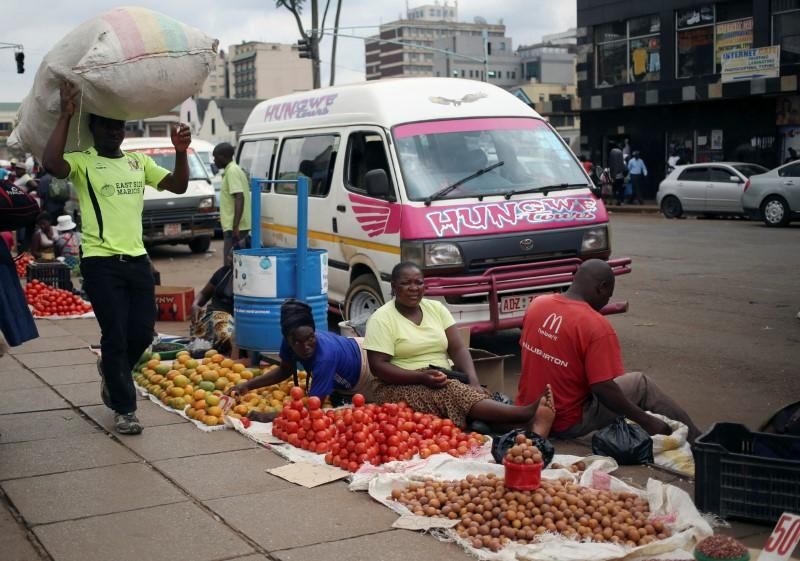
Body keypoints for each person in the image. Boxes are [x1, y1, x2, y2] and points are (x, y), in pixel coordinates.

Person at [42, 80, 192, 435]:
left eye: (118, 125)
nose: (113, 131)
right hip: (100, 262)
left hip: (138, 261)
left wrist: (181, 152)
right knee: (114, 334)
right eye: (106, 124)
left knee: (141, 333)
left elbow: (178, 185)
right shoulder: (84, 162)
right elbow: (50, 162)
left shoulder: (138, 163)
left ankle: (112, 369)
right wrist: (66, 115)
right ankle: (125, 409)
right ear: (92, 128)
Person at [231, 294, 556, 436]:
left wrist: (264, 415)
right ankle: (514, 419)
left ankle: (520, 414)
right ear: (287, 338)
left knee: (442, 393)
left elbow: (313, 411)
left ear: (315, 332)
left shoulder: (324, 354)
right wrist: (248, 385)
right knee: (437, 399)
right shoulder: (293, 346)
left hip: (369, 373)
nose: (305, 346)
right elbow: (285, 370)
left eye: (310, 339)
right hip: (361, 375)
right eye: (298, 342)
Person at [517, 259, 702, 442]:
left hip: (528, 413)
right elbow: (604, 389)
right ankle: (701, 441)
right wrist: (646, 420)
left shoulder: (537, 305)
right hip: (567, 422)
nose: (606, 302)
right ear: (602, 287)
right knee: (641, 384)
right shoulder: (595, 324)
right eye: (608, 296)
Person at [363, 262, 556, 433]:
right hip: (396, 385)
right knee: (453, 393)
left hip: (439, 375)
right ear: (394, 286)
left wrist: (473, 381)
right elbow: (378, 366)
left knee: (476, 395)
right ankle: (524, 413)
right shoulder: (382, 318)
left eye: (419, 282)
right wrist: (420, 377)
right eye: (406, 283)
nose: (414, 288)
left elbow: (458, 348)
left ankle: (528, 429)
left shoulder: (435, 309)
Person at [191, 252, 236, 357]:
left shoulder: (250, 278)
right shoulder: (223, 272)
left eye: (233, 256)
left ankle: (223, 351)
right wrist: (195, 304)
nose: (229, 258)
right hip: (214, 314)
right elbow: (204, 294)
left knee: (223, 329)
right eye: (229, 255)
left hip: (233, 320)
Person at [213, 142, 251, 262]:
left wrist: (235, 226)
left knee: (230, 265)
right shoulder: (233, 170)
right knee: (235, 265)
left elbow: (239, 197)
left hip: (235, 228)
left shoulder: (232, 171)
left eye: (215, 157)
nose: (214, 161)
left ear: (223, 157)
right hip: (235, 227)